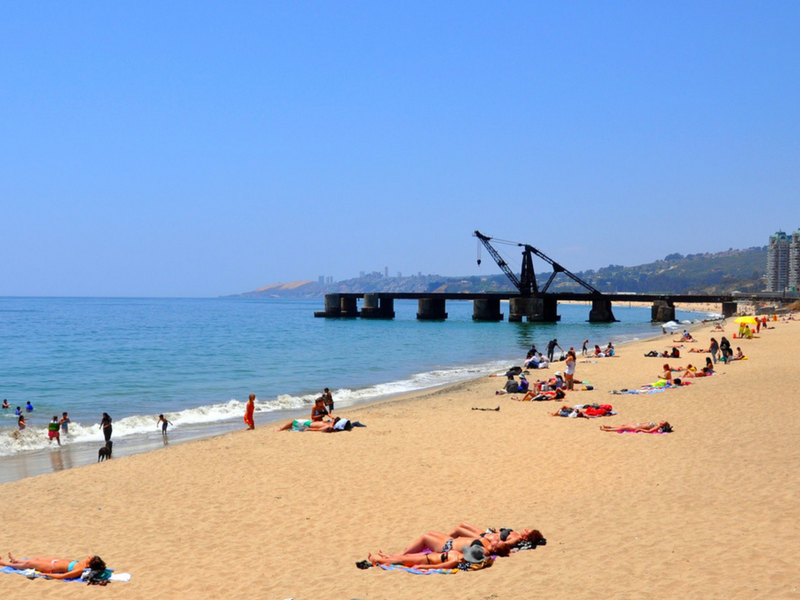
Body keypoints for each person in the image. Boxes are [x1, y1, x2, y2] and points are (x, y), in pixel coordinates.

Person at [365, 546, 490, 570]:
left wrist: (422, 566)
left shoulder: (456, 560)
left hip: (426, 560)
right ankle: (387, 557)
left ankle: (378, 561)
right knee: (406, 556)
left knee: (403, 560)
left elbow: (438, 566)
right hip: (427, 556)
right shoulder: (458, 555)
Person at [402, 530, 510, 557]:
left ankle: (400, 555)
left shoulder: (484, 551)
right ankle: (413, 548)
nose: (497, 540)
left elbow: (465, 556)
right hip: (451, 540)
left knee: (425, 537)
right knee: (430, 533)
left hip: (447, 547)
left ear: (495, 549)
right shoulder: (487, 543)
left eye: (498, 543)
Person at [0, 552, 106, 580]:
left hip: (51, 567)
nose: (87, 556)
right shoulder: (84, 563)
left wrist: (45, 574)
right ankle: (16, 561)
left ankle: (5, 563)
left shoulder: (80, 569)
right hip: (55, 561)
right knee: (37, 559)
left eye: (89, 558)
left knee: (29, 564)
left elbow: (62, 576)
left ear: (89, 564)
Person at [277, 415, 357, 432]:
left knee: (293, 422)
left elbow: (318, 429)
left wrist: (309, 429)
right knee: (293, 423)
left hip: (308, 424)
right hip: (310, 422)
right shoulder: (329, 423)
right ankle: (284, 428)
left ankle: (281, 429)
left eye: (334, 419)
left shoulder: (328, 425)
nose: (333, 419)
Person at [600, 421, 672, 433]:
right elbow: (667, 424)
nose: (661, 421)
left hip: (637, 427)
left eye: (663, 422)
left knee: (623, 428)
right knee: (623, 425)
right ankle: (609, 426)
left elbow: (649, 431)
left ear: (663, 425)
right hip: (637, 424)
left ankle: (607, 429)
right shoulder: (658, 425)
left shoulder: (657, 427)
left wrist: (640, 429)